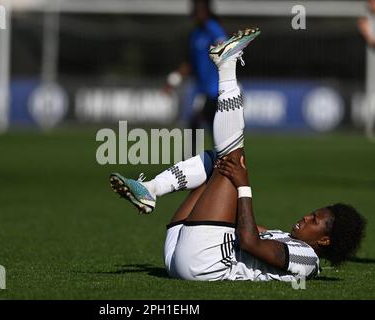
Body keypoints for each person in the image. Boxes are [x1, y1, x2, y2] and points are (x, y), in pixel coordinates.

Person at [110, 28, 366, 281]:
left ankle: (227, 66)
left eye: (314, 219)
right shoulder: (288, 238)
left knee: (233, 162)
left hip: (202, 263)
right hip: (183, 250)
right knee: (218, 162)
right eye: (312, 213)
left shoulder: (307, 260)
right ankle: (152, 189)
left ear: (324, 239)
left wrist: (242, 187)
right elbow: (248, 229)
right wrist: (231, 193)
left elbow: (249, 242)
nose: (305, 217)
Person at [165, 0, 228, 154]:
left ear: (206, 11)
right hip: (200, 90)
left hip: (214, 90)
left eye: (198, 10)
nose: (195, 13)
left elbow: (226, 50)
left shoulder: (213, 29)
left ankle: (219, 167)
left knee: (211, 129)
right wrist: (174, 79)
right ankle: (194, 166)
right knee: (195, 128)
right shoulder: (195, 34)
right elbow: (190, 63)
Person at [357, 0, 375, 140]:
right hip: (373, 65)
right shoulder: (365, 20)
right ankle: (371, 127)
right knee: (372, 97)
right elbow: (371, 42)